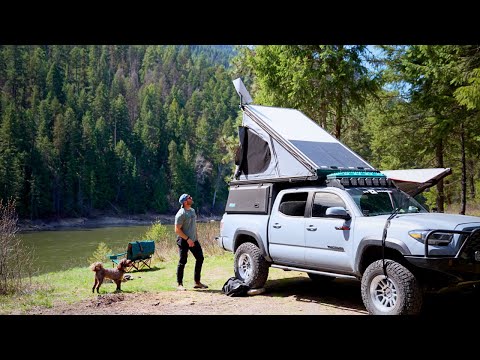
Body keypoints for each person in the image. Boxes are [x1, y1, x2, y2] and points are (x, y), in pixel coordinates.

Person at [174, 193, 208, 291]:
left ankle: (197, 282)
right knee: (182, 261)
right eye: (189, 198)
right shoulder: (181, 213)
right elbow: (177, 230)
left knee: (200, 258)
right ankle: (179, 284)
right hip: (183, 240)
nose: (191, 198)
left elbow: (193, 226)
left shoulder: (192, 211)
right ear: (185, 202)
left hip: (193, 240)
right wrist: (188, 239)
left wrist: (195, 238)